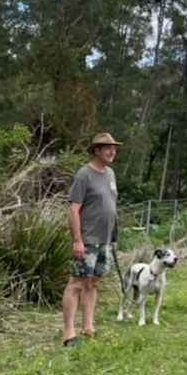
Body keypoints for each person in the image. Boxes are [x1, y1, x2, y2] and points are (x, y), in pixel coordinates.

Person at [61, 132, 121, 346]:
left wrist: (112, 236)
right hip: (86, 239)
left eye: (113, 148)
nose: (112, 151)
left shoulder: (110, 174)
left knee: (93, 283)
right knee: (76, 283)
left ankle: (88, 327)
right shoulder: (84, 175)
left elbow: (110, 206)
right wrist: (77, 240)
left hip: (104, 240)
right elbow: (73, 209)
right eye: (107, 148)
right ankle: (69, 333)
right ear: (96, 150)